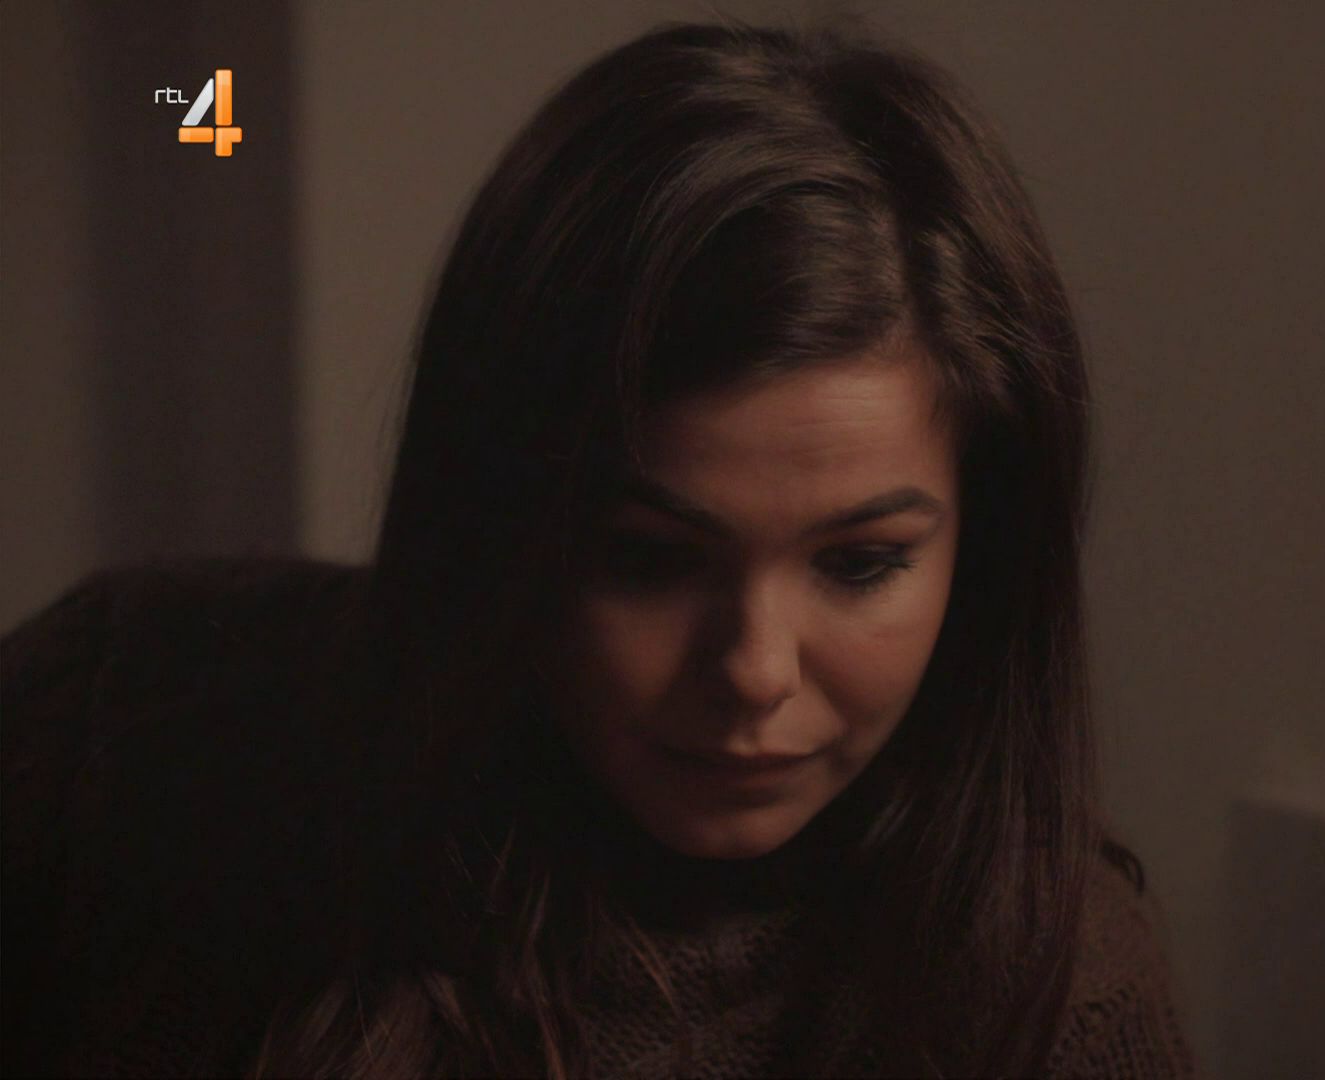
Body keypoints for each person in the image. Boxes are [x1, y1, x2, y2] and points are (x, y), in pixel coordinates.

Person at [0, 17, 1199, 1079]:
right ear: (497, 517)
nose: (755, 671)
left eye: (859, 563)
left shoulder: (1054, 1003)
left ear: (982, 552)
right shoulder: (124, 722)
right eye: (650, 558)